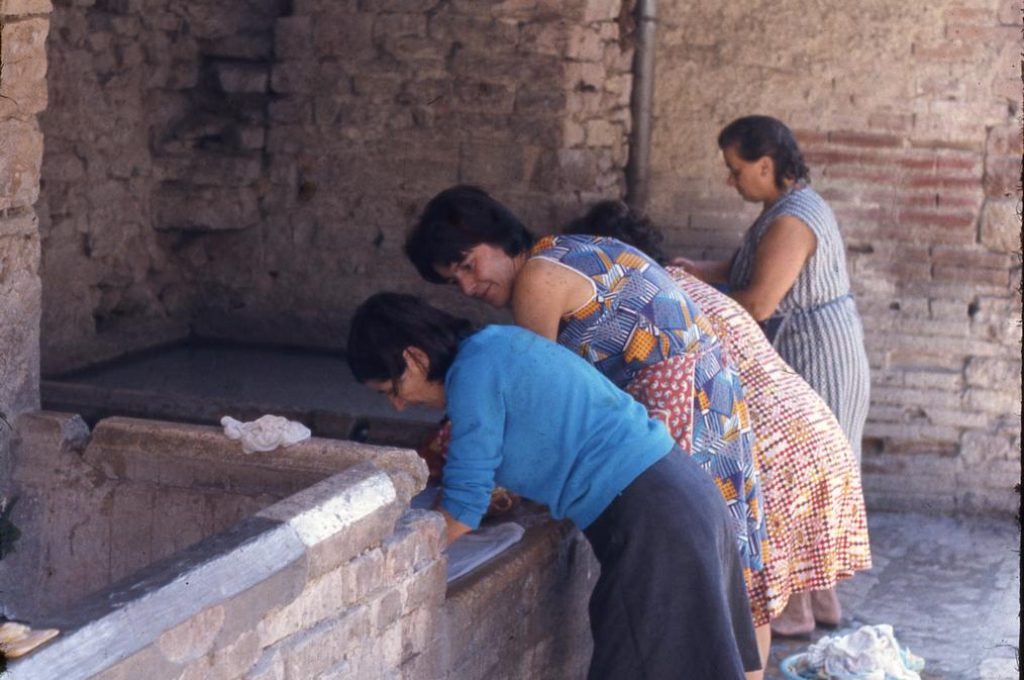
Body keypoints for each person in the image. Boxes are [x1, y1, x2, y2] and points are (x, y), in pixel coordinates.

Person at [406, 185, 774, 678]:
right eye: (455, 281)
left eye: (470, 265)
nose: (470, 287)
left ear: (498, 235)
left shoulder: (538, 279)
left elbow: (535, 397)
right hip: (709, 407)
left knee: (688, 604)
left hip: (681, 416)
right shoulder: (567, 251)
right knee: (720, 599)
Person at [346, 292, 760, 679]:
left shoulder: (471, 375)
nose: (398, 405)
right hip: (676, 491)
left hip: (653, 515)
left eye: (393, 389)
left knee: (639, 663)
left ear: (414, 358)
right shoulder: (493, 345)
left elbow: (461, 508)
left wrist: (391, 566)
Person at [564, 200, 872, 638]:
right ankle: (813, 609)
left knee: (758, 607)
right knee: (801, 582)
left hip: (770, 445)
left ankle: (786, 624)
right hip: (814, 428)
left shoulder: (640, 303)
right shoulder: (685, 285)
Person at [675, 115, 872, 632]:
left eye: (736, 169)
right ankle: (822, 604)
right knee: (814, 474)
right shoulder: (782, 208)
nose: (731, 179)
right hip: (813, 349)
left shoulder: (793, 218)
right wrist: (700, 270)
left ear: (767, 165)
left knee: (797, 474)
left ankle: (796, 608)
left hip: (814, 355)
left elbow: (759, 301)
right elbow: (749, 264)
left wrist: (688, 302)